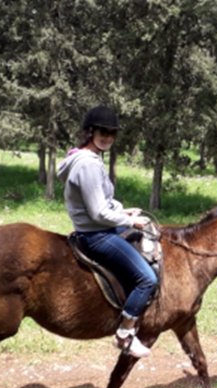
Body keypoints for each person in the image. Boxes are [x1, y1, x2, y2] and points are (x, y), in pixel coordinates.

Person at [57, 105, 158, 358]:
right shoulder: (88, 165)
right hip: (96, 235)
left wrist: (125, 210)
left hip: (99, 228)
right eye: (103, 132)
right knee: (147, 279)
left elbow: (103, 200)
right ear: (90, 131)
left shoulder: (86, 158)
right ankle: (125, 332)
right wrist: (128, 221)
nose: (108, 138)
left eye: (112, 133)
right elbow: (98, 213)